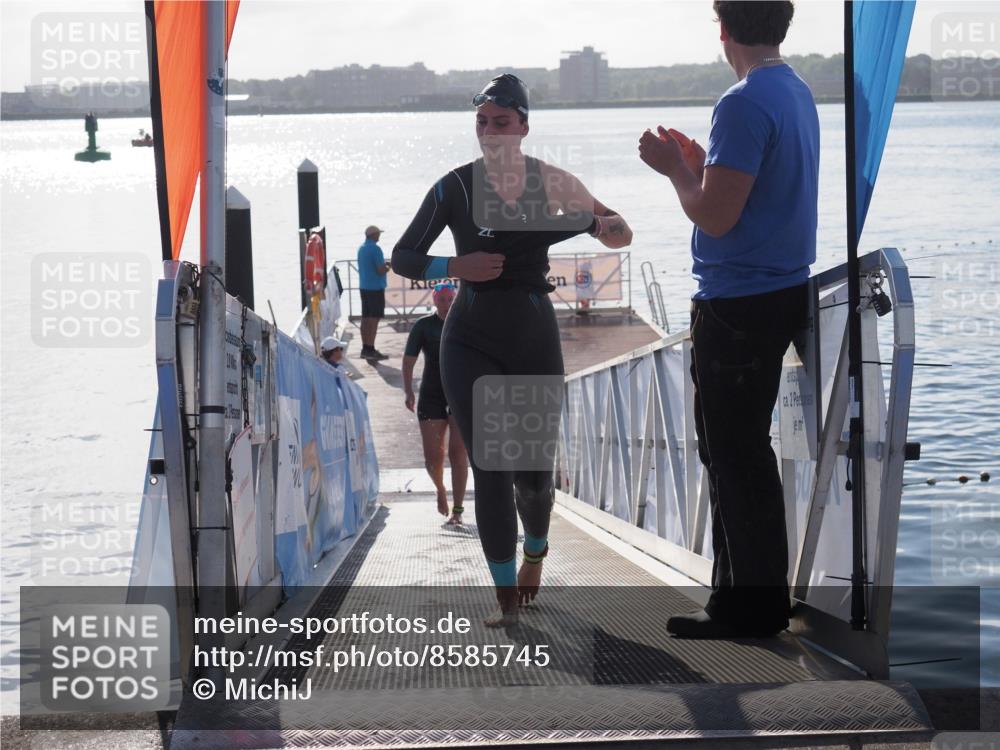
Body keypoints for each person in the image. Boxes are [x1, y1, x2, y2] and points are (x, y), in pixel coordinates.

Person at [392, 73, 632, 626]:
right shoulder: (454, 186)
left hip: (531, 334)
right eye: (482, 123)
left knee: (532, 474)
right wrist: (455, 267)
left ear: (523, 126)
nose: (490, 132)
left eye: (501, 122)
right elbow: (404, 258)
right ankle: (505, 601)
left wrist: (601, 225)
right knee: (491, 467)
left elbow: (619, 232)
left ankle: (535, 553)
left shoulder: (551, 183)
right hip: (469, 336)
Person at [638, 0, 817, 639]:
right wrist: (698, 162)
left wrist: (675, 170)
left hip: (737, 303)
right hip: (778, 294)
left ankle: (748, 608)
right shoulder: (794, 91)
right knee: (744, 453)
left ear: (724, 29)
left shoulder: (742, 101)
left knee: (731, 455)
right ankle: (756, 600)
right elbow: (748, 191)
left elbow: (714, 217)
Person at [402, 282, 468, 525]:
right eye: (442, 299)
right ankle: (440, 489)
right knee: (432, 457)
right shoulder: (424, 326)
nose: (446, 303)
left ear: (455, 299)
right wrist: (408, 390)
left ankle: (458, 510)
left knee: (458, 452)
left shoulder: (464, 323)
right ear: (434, 300)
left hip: (458, 394)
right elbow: (409, 360)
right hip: (430, 394)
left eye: (450, 299)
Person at [357, 225, 390, 360]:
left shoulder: (361, 248)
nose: (379, 236)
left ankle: (365, 348)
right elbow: (380, 270)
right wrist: (389, 266)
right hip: (375, 288)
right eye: (378, 234)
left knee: (365, 318)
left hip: (364, 287)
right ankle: (370, 349)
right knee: (373, 319)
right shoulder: (375, 249)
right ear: (373, 235)